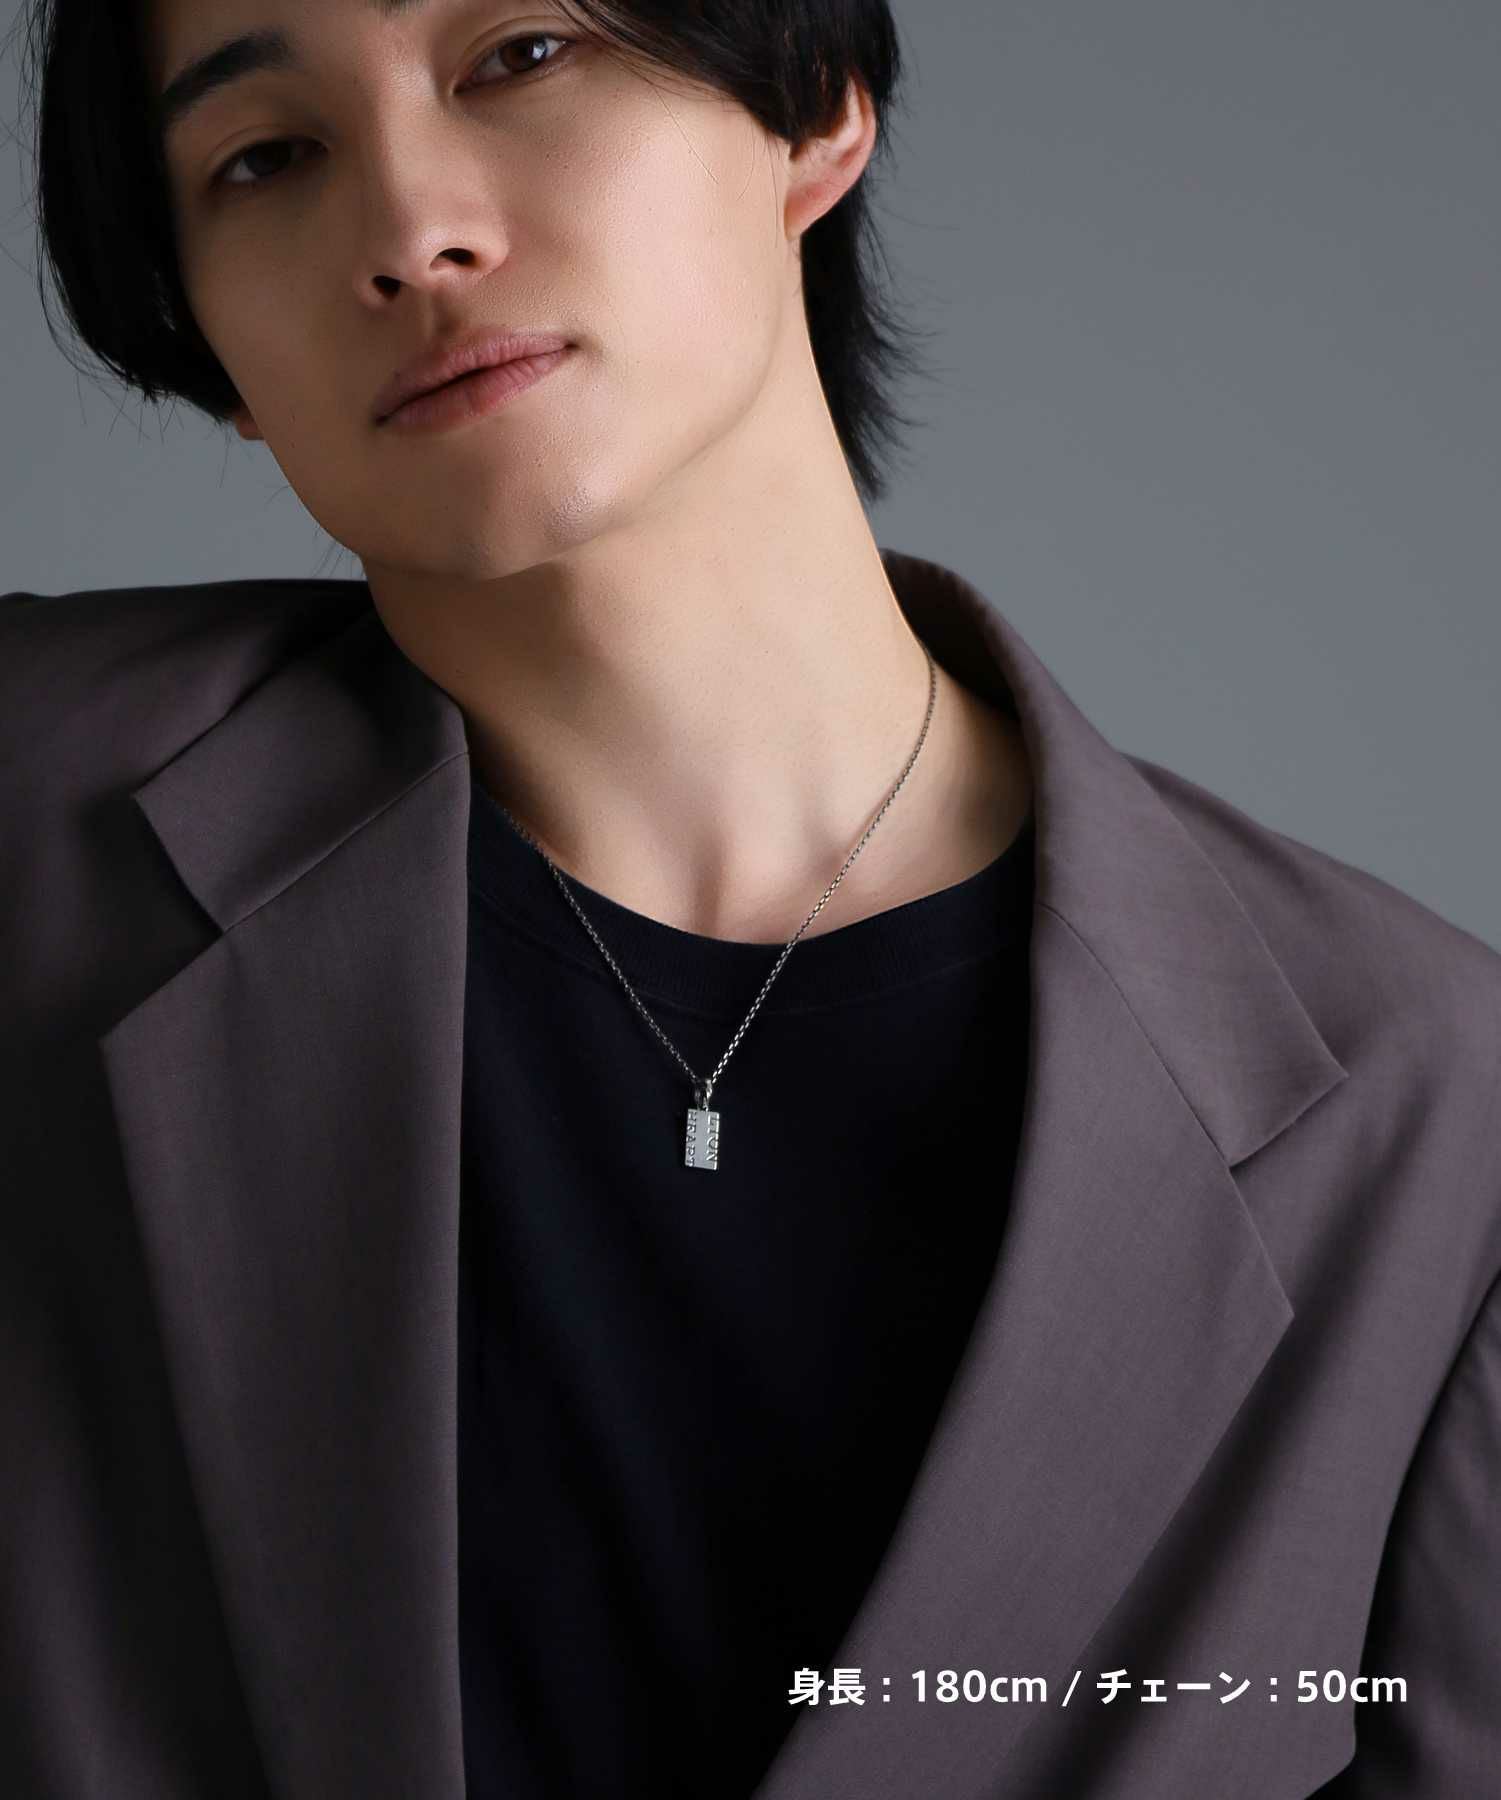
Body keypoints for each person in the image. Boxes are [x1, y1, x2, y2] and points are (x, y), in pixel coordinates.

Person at [3, 1, 1498, 1796]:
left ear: (812, 109)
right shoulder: (39, 828)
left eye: (520, 56)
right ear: (207, 339)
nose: (409, 231)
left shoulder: (1431, 1120)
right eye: (265, 158)